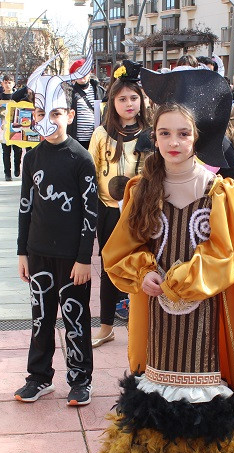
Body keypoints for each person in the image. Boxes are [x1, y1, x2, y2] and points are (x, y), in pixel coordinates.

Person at [98, 97, 234, 453]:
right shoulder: (141, 189)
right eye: (165, 133)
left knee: (202, 390)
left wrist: (186, 281)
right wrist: (139, 273)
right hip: (158, 313)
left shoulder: (220, 189)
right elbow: (120, 249)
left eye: (183, 133)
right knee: (160, 381)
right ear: (155, 138)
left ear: (197, 137)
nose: (174, 142)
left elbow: (228, 254)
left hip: (205, 313)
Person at [14, 68, 97, 407]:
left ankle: (80, 380)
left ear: (70, 115)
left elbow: (90, 215)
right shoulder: (31, 158)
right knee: (41, 319)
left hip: (71, 259)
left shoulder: (81, 159)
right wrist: (22, 252)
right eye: (40, 112)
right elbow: (24, 208)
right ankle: (39, 377)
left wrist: (83, 258)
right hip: (38, 255)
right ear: (33, 116)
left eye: (56, 113)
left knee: (76, 319)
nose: (48, 119)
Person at [87, 61, 152, 348]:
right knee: (108, 266)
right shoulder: (101, 134)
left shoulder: (151, 133)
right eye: (122, 98)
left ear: (142, 100)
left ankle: (144, 323)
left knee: (144, 265)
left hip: (141, 211)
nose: (129, 103)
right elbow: (91, 172)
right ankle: (105, 325)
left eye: (134, 98)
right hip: (108, 210)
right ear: (112, 102)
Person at [67, 59, 106, 150]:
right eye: (78, 71)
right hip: (75, 140)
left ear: (89, 72)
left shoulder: (99, 91)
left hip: (95, 138)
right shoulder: (69, 92)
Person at [0, 74, 23, 181]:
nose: (7, 84)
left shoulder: (18, 97)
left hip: (16, 129)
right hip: (4, 129)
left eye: (9, 82)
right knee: (6, 152)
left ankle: (17, 168)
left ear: (13, 83)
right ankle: (7, 173)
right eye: (5, 82)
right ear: (2, 84)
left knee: (18, 151)